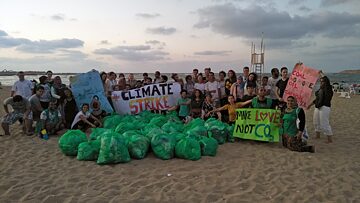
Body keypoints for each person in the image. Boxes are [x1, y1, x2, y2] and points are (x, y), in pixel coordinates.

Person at [307, 74, 334, 143]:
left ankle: (329, 139)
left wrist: (322, 73)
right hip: (318, 107)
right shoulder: (320, 90)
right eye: (321, 81)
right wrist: (310, 105)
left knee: (324, 123)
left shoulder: (328, 89)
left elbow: (327, 82)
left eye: (323, 81)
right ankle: (317, 135)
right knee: (316, 122)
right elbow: (317, 99)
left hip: (325, 107)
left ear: (326, 82)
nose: (321, 83)